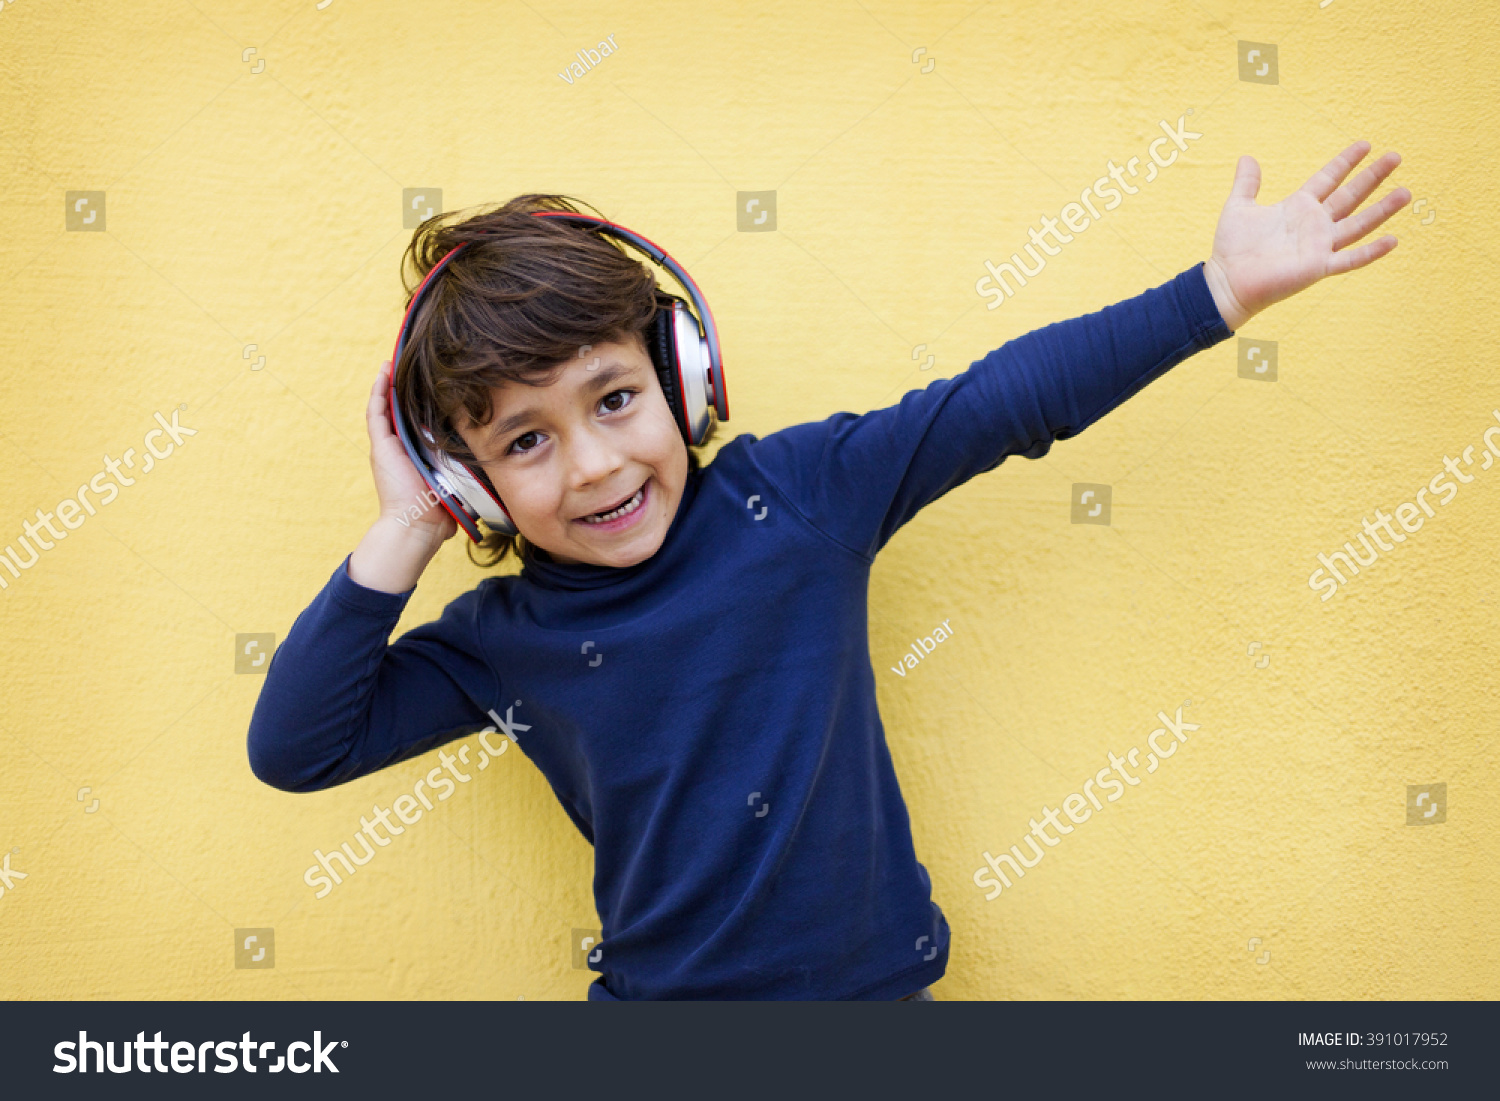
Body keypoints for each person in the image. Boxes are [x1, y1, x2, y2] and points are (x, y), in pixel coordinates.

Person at [247, 143, 1408, 1000]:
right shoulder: (499, 640)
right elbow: (297, 748)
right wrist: (406, 527)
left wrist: (1216, 295)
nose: (594, 464)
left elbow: (1002, 402)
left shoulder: (799, 495)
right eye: (524, 442)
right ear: (469, 480)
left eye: (614, 398)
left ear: (683, 374)